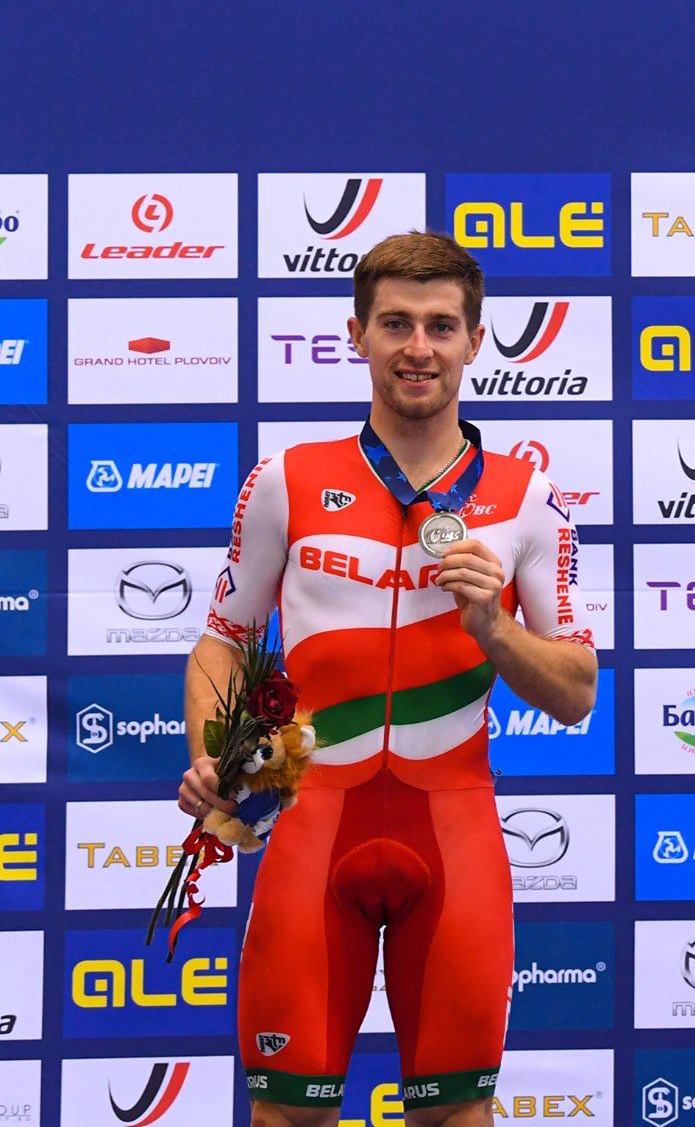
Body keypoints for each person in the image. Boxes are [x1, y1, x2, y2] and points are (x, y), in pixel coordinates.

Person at [178, 233, 598, 1126]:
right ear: (356, 335)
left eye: (441, 325)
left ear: (475, 339)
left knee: (454, 1117)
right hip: (310, 826)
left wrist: (493, 628)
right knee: (286, 1115)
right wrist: (217, 752)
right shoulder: (286, 479)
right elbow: (223, 639)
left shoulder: (527, 497)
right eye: (396, 323)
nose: (419, 347)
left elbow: (576, 692)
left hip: (453, 834)